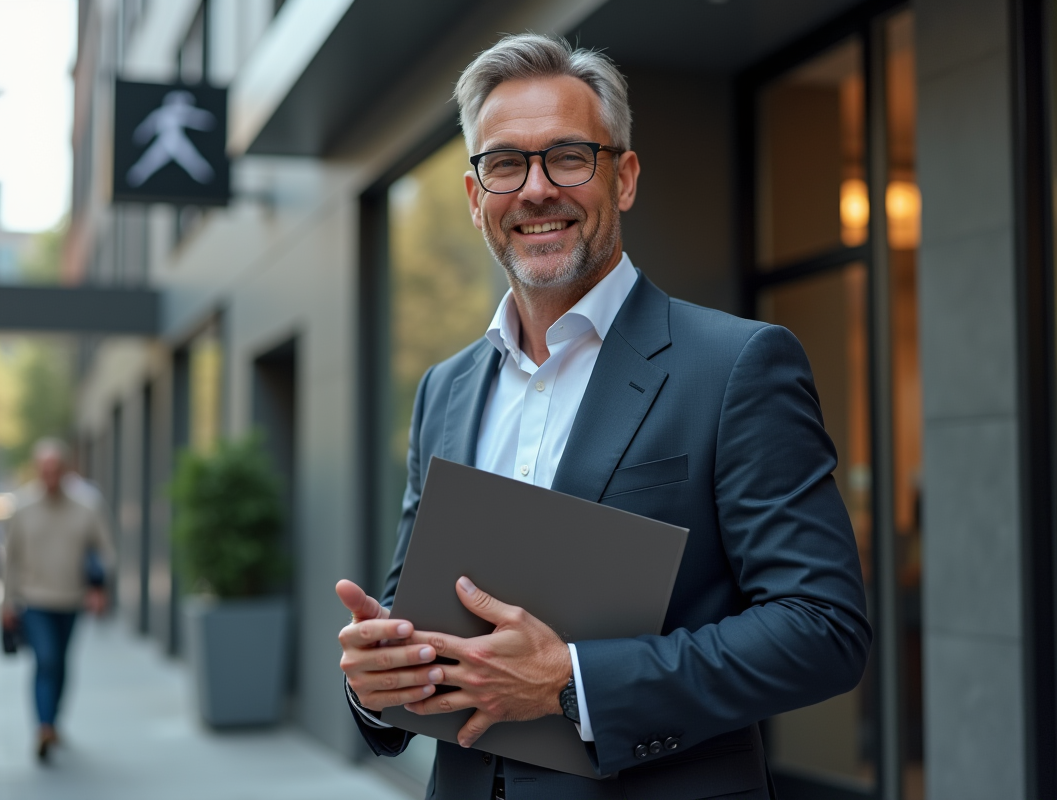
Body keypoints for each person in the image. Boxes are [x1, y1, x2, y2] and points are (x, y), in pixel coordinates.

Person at [336, 33, 872, 800]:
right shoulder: (443, 389)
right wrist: (377, 678)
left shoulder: (736, 366)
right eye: (505, 164)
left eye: (568, 157)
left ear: (623, 178)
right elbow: (413, 614)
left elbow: (823, 628)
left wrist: (574, 683)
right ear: (475, 197)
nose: (536, 190)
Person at [2, 438, 115, 761]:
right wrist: (6, 601)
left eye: (55, 469)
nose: (49, 476)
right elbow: (10, 558)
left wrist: (99, 588)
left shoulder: (87, 505)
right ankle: (44, 727)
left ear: (66, 470)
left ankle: (53, 720)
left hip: (72, 599)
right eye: (44, 469)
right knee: (46, 660)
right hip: (34, 599)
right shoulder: (23, 507)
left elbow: (105, 552)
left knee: (61, 663)